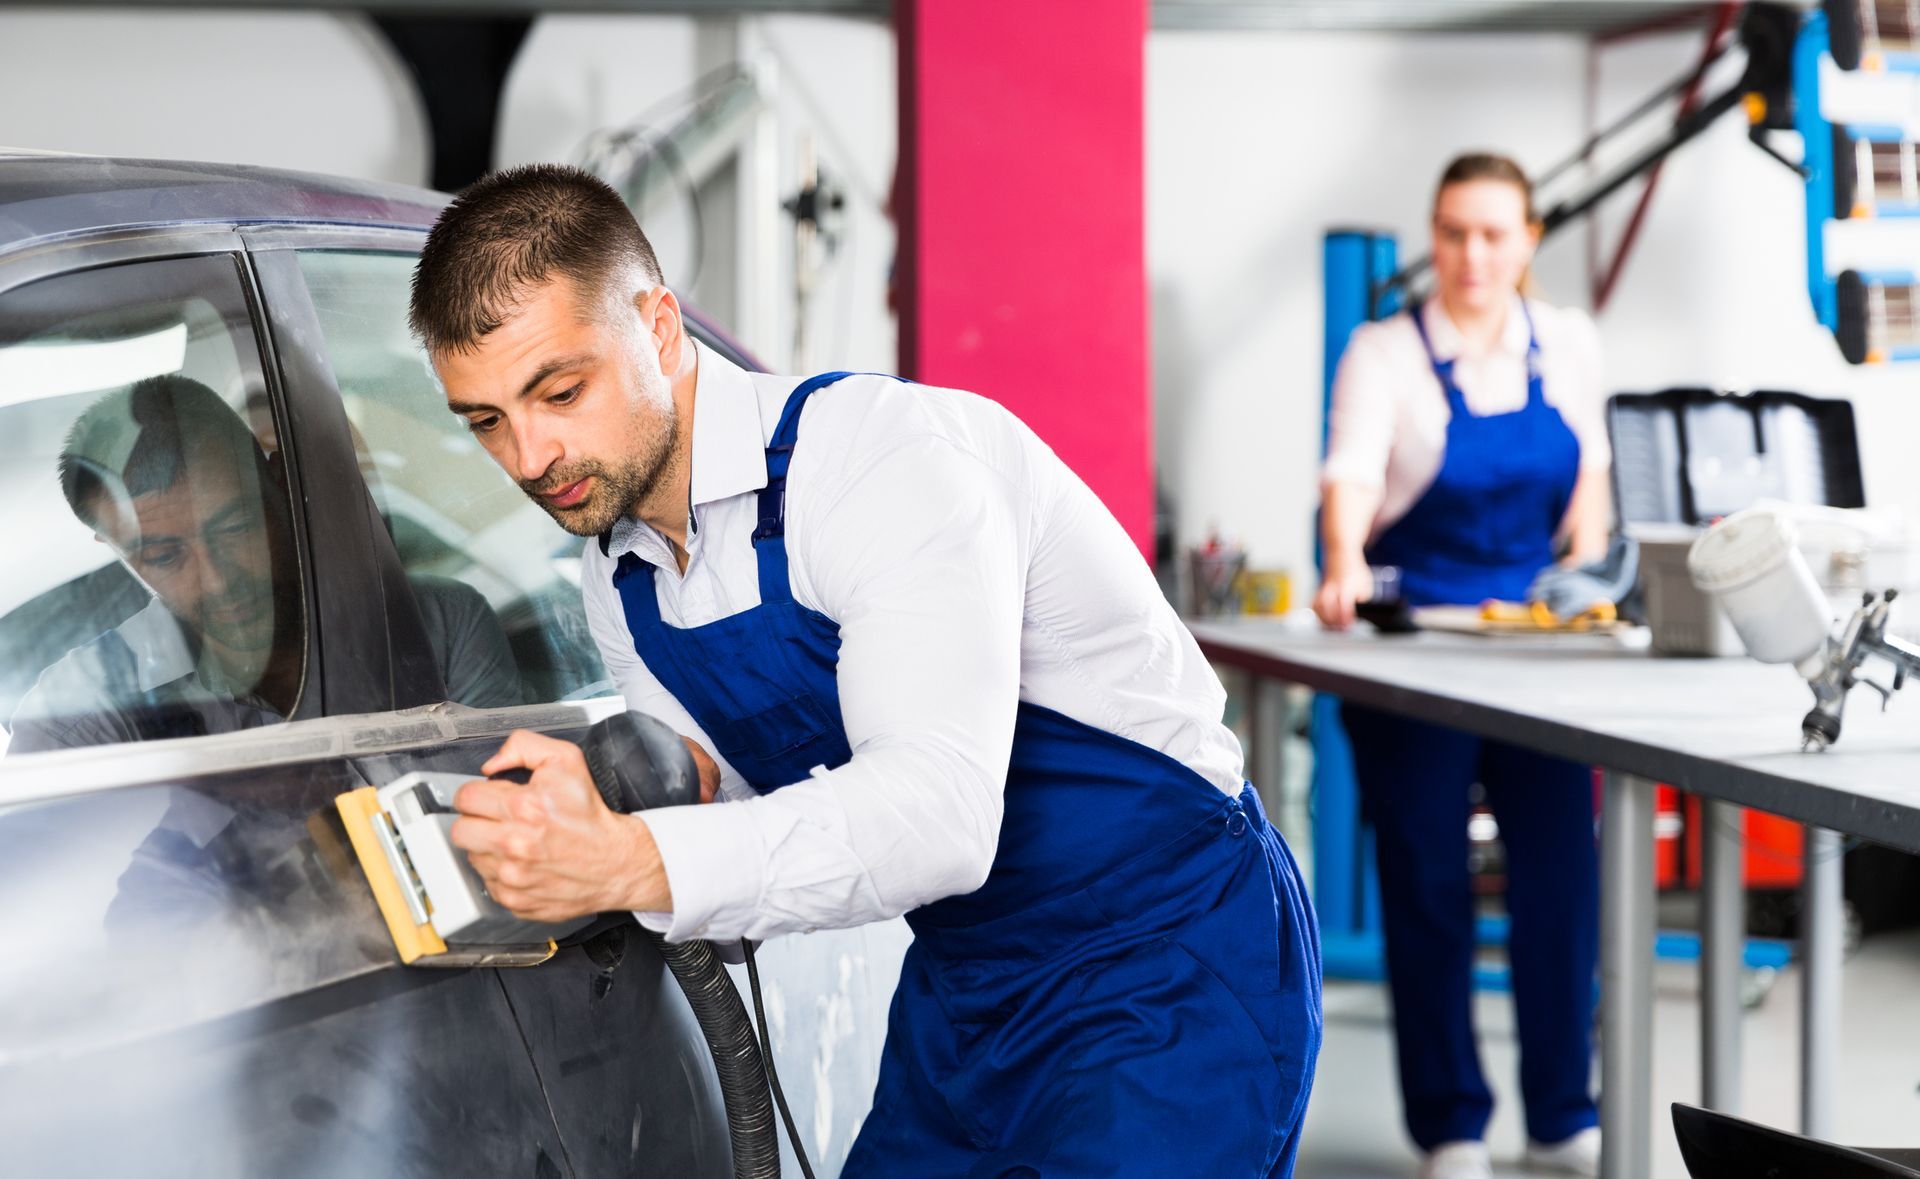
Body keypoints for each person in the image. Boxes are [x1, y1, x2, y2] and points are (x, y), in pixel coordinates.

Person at [417, 164, 1322, 1177]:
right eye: (487, 421)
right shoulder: (621, 579)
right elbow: (731, 809)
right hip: (971, 981)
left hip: (1167, 957)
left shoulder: (882, 466)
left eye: (560, 390)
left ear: (660, 328)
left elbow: (938, 817)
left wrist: (631, 859)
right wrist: (600, 813)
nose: (531, 456)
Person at [1312, 153, 1610, 1179]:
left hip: (1537, 648)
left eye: (1493, 234)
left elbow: (1593, 488)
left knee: (1563, 880)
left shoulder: (1567, 344)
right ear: (1433, 239)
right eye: (1453, 233)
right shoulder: (1383, 351)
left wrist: (1594, 577)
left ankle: (1565, 1111)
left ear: (1528, 241)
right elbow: (1350, 473)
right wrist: (1345, 562)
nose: (1472, 255)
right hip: (1422, 654)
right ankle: (1453, 1127)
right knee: (1429, 882)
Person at [9, 375, 520, 755]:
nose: (218, 580)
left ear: (279, 484)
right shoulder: (80, 714)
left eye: (235, 529)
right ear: (116, 551)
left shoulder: (440, 626)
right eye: (165, 557)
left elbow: (512, 833)